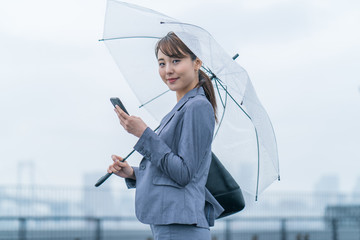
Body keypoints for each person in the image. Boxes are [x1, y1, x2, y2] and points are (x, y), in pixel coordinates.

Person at [107, 32, 223, 240]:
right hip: (173, 225)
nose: (168, 70)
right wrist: (133, 173)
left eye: (176, 61)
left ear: (196, 63)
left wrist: (144, 134)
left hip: (181, 226)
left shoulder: (197, 106)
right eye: (162, 63)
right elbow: (172, 169)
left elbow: (184, 173)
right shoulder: (185, 106)